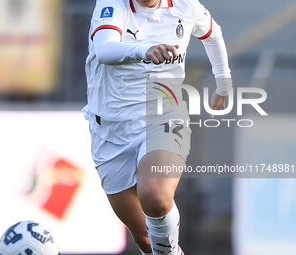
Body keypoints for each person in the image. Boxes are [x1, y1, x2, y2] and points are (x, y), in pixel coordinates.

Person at [83, 0, 232, 255]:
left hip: (163, 115)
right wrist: (145, 50)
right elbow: (105, 49)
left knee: (155, 197)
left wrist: (224, 83)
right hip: (110, 132)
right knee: (144, 239)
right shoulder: (112, 4)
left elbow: (212, 34)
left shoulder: (186, 6)